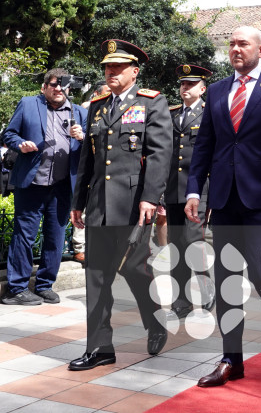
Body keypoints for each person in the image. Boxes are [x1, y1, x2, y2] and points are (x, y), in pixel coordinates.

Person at [185, 26, 261, 388]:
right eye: (232, 44)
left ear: (260, 50)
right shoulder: (217, 90)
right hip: (224, 199)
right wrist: (194, 191)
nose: (236, 49)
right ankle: (231, 360)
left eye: (243, 44)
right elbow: (204, 146)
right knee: (227, 280)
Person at [68, 39, 172, 371]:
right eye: (107, 67)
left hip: (133, 206)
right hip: (99, 204)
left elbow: (160, 155)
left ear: (134, 72)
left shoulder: (152, 103)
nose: (111, 71)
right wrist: (78, 201)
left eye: (118, 67)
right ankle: (99, 348)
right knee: (96, 276)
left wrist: (150, 198)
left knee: (134, 269)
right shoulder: (97, 106)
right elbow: (88, 158)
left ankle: (156, 320)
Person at [1, 69, 88, 306]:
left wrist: (82, 138)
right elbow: (9, 134)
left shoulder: (80, 113)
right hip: (32, 183)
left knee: (55, 237)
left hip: (62, 186)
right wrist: (21, 144)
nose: (58, 89)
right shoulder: (29, 104)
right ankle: (16, 288)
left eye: (63, 85)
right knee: (24, 235)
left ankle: (45, 285)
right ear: (45, 87)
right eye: (53, 85)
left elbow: (91, 150)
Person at [157, 64, 215, 318]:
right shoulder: (171, 115)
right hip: (173, 189)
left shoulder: (209, 114)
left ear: (202, 89)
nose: (185, 88)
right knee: (177, 244)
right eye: (182, 84)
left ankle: (205, 288)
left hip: (198, 190)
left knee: (194, 242)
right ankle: (181, 298)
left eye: (191, 84)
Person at [74, 81, 112, 263]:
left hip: (108, 173)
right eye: (107, 91)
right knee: (83, 211)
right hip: (87, 171)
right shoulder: (89, 110)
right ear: (97, 94)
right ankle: (79, 248)